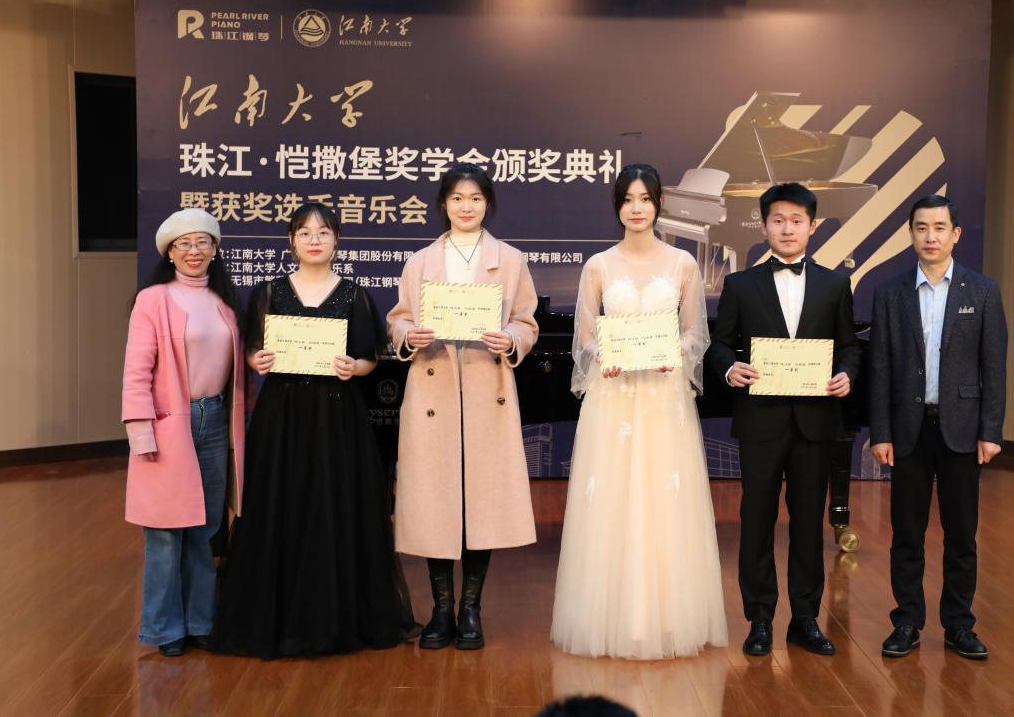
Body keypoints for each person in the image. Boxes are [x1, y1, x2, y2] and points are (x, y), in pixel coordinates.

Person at [209, 202, 416, 658]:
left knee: (333, 505)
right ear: (291, 241)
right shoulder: (268, 292)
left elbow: (370, 359)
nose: (314, 240)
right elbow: (252, 351)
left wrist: (354, 367)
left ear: (336, 239)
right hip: (281, 415)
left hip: (337, 415)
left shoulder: (356, 295)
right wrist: (256, 360)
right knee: (278, 505)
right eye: (305, 233)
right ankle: (276, 617)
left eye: (323, 232)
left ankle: (336, 617)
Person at [551, 163, 727, 660]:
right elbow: (585, 336)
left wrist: (676, 352)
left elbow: (695, 333)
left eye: (645, 199)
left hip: (663, 397)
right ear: (617, 207)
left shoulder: (683, 264)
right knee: (612, 499)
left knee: (664, 500)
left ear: (658, 205)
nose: (636, 208)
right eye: (627, 199)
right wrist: (601, 356)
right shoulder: (598, 266)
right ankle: (608, 619)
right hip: (614, 397)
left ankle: (667, 619)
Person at [387, 163, 539, 650]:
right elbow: (397, 319)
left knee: (481, 503)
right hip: (432, 391)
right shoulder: (420, 262)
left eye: (474, 198)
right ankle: (440, 609)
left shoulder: (509, 259)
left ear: (487, 203)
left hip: (484, 390)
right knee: (435, 502)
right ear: (443, 205)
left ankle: (470, 609)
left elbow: (527, 321)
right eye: (456, 198)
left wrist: (511, 338)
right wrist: (408, 334)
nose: (466, 206)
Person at [707, 182, 861, 657]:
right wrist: (730, 369)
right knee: (756, 520)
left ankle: (806, 619)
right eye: (778, 220)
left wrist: (847, 374)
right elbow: (719, 344)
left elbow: (849, 346)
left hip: (816, 422)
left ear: (812, 227)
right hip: (760, 421)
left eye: (797, 221)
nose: (787, 229)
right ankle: (759, 619)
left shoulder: (835, 284)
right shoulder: (740, 284)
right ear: (764, 226)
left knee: (808, 524)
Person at [868, 194, 1007, 661]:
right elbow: (880, 369)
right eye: (922, 227)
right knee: (906, 533)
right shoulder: (890, 293)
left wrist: (991, 430)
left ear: (956, 234)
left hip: (962, 430)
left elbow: (995, 367)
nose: (931, 236)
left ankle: (959, 624)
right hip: (908, 429)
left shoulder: (982, 291)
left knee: (961, 534)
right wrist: (881, 432)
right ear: (911, 234)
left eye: (940, 227)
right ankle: (906, 621)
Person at [122, 208, 247, 657]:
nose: (194, 251)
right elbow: (136, 372)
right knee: (163, 531)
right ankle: (164, 629)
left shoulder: (225, 301)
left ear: (215, 250)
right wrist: (141, 433)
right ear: (170, 253)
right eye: (183, 244)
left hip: (216, 419)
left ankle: (200, 622)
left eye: (202, 242)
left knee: (204, 527)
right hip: (168, 424)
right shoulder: (153, 299)